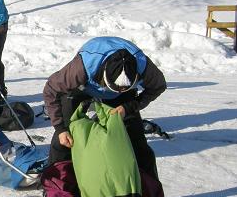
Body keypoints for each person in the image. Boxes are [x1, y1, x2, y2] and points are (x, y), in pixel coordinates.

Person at [43, 36, 167, 179]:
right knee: (65, 139)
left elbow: (159, 86)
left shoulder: (142, 65)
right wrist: (60, 128)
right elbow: (51, 89)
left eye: (123, 88)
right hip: (83, 87)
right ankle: (57, 187)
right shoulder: (82, 67)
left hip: (122, 98)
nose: (119, 91)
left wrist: (129, 106)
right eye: (115, 88)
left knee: (137, 142)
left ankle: (147, 189)